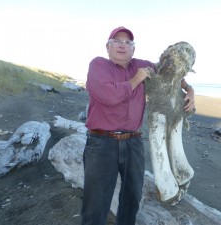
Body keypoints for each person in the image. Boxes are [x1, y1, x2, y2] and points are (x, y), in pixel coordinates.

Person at [81, 26, 195, 225]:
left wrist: (189, 89)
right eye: (117, 41)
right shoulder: (98, 65)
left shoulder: (140, 65)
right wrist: (136, 79)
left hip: (133, 143)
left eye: (128, 43)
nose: (122, 46)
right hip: (101, 143)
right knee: (96, 202)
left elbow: (169, 70)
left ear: (133, 49)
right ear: (107, 47)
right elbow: (109, 96)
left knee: (132, 198)